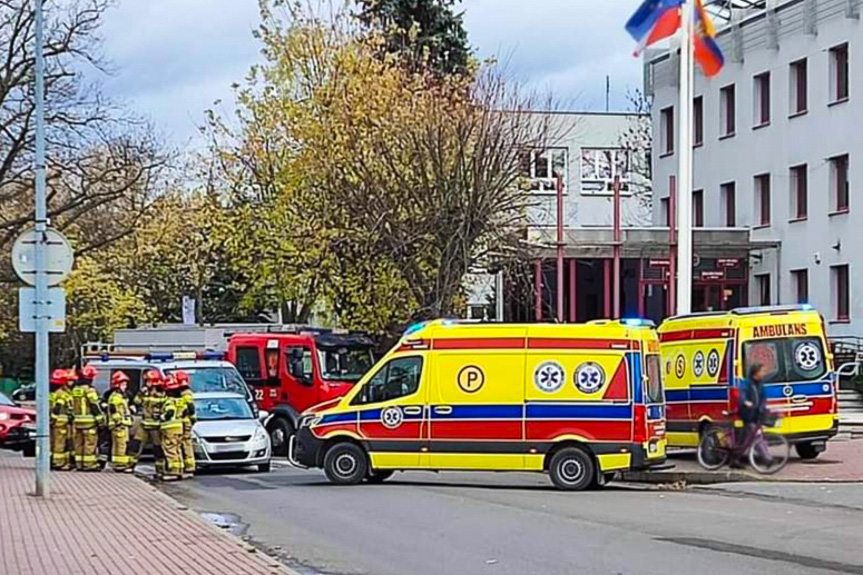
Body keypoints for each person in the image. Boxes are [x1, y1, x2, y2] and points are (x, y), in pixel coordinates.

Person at [129, 370, 166, 476]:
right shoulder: (145, 392)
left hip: (156, 425)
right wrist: (141, 392)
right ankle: (130, 465)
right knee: (135, 444)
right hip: (144, 423)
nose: (147, 383)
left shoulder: (161, 393)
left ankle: (161, 469)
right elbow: (136, 401)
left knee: (157, 448)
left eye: (148, 381)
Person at [70, 364, 104, 471]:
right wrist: (100, 419)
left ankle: (79, 464)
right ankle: (89, 465)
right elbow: (94, 404)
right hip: (89, 422)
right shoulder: (89, 390)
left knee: (79, 443)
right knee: (89, 443)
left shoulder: (75, 389)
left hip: (77, 421)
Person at [159, 375, 185, 481]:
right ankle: (179, 470)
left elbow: (170, 412)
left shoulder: (169, 401)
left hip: (170, 428)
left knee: (170, 449)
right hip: (179, 427)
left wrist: (162, 417)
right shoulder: (180, 400)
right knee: (177, 449)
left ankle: (172, 472)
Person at [107, 371, 134, 472]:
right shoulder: (116, 397)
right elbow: (114, 411)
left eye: (125, 384)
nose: (125, 386)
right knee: (121, 445)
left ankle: (117, 464)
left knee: (118, 445)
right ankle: (120, 465)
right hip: (119, 425)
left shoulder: (120, 396)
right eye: (123, 384)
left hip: (119, 425)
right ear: (117, 385)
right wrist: (120, 422)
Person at [49, 369, 74, 470]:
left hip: (55, 422)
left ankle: (54, 461)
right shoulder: (62, 394)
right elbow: (58, 408)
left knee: (53, 443)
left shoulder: (52, 393)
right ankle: (58, 463)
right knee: (60, 443)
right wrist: (54, 420)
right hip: (61, 422)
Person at [174, 371, 196, 478]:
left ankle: (186, 467)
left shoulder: (185, 393)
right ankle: (188, 467)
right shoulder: (186, 392)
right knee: (186, 444)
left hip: (184, 421)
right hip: (185, 421)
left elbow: (190, 409)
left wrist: (189, 419)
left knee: (184, 444)